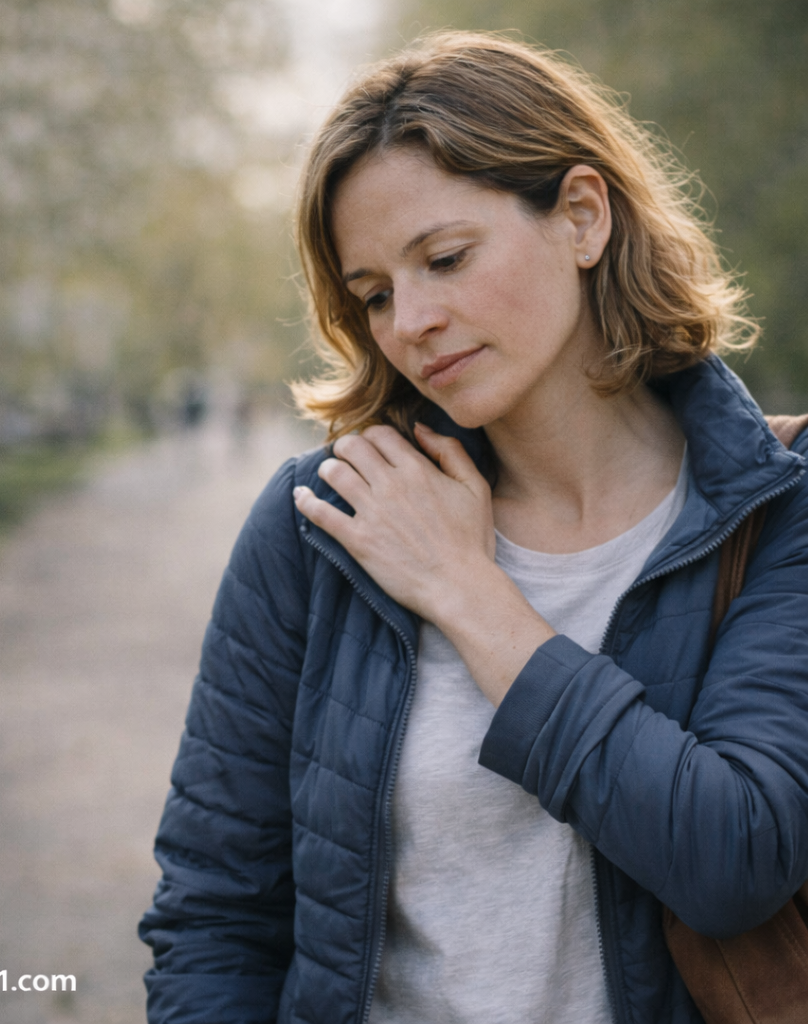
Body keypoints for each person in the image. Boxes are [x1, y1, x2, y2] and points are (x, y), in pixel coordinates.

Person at [138, 31, 808, 1023]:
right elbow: (215, 918)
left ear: (581, 215)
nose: (409, 320)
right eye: (373, 294)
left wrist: (465, 587)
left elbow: (731, 860)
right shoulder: (320, 525)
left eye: (443, 258)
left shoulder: (778, 505)